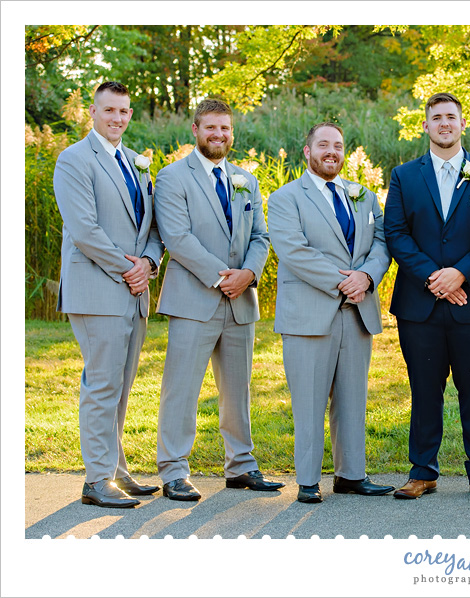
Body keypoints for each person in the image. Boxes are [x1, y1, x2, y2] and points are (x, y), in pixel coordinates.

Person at [384, 92, 470, 500]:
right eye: (435, 117)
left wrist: (459, 275)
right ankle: (423, 471)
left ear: (462, 124)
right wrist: (433, 279)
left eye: (450, 117)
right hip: (419, 305)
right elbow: (396, 234)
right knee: (424, 390)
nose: (443, 124)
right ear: (425, 125)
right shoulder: (404, 176)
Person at [153, 98, 282, 500]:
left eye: (225, 128)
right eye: (211, 127)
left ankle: (241, 466)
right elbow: (177, 237)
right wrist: (220, 276)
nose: (219, 135)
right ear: (195, 130)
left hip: (240, 301)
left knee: (237, 391)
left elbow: (261, 236)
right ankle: (174, 470)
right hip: (194, 300)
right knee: (182, 389)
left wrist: (249, 274)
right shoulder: (173, 178)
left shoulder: (245, 178)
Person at [267, 123, 394, 503]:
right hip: (309, 314)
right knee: (308, 400)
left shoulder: (365, 197)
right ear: (306, 151)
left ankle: (351, 475)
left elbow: (383, 243)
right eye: (323, 144)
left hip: (357, 313)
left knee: (353, 399)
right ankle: (307, 481)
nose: (332, 152)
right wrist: (345, 282)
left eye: (338, 146)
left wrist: (368, 277)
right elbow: (294, 250)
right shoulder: (285, 198)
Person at [54, 80, 165, 508]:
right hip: (97, 288)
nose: (117, 118)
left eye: (123, 111)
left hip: (133, 290)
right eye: (109, 110)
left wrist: (150, 264)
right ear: (93, 113)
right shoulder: (74, 159)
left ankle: (116, 470)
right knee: (102, 383)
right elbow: (84, 230)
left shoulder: (137, 162)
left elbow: (153, 227)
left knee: (121, 385)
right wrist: (130, 269)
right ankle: (96, 480)